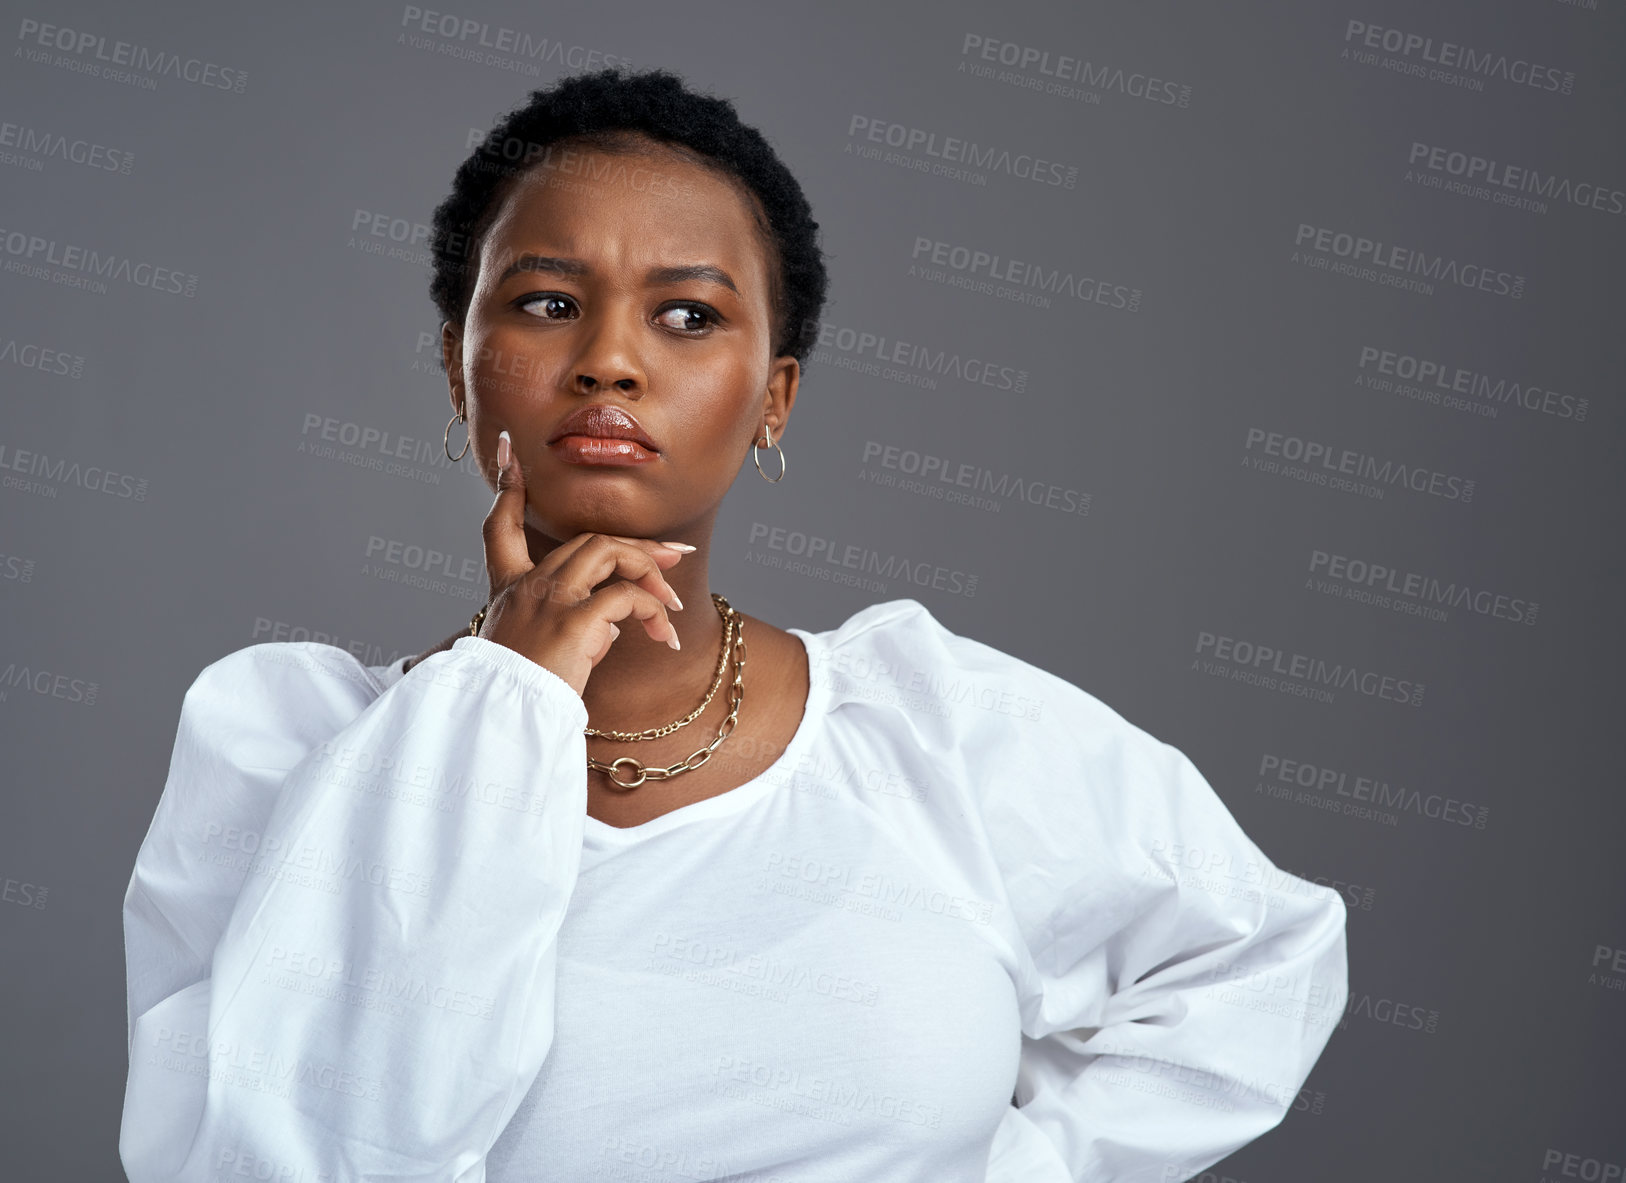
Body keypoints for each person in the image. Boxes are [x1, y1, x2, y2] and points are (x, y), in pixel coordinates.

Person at [118, 67, 1347, 1183]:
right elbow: (288, 1158)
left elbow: (1261, 962)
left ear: (775, 397)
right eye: (547, 303)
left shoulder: (934, 733)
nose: (608, 361)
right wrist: (504, 696)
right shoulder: (288, 747)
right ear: (459, 363)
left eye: (689, 316)